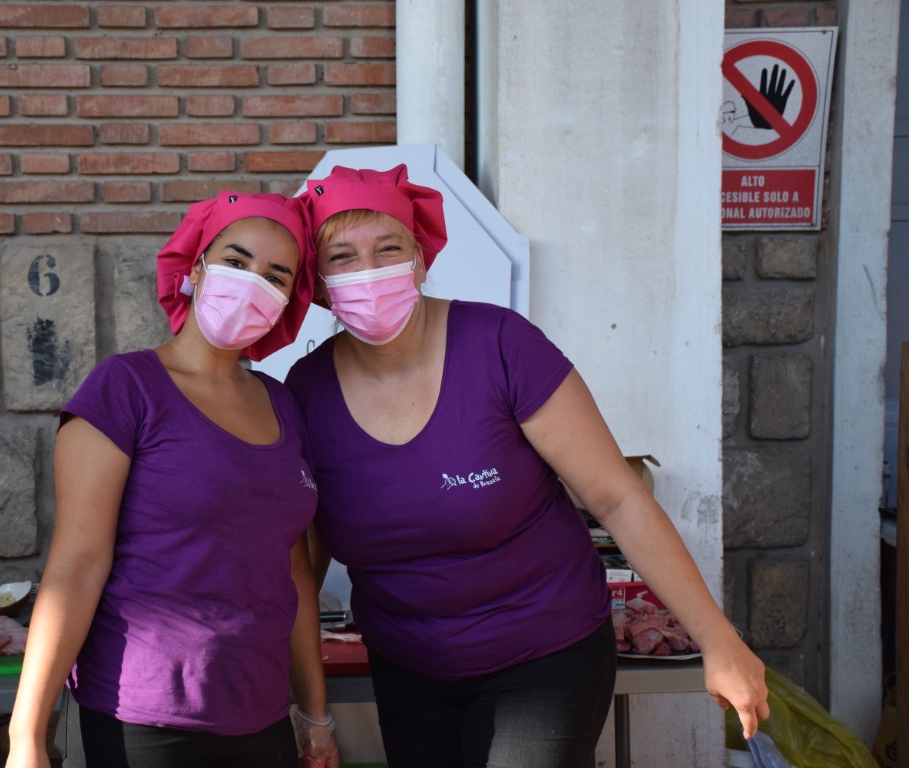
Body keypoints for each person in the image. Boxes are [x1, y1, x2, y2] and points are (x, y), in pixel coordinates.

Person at [284, 165, 770, 768]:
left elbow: (617, 498)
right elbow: (303, 559)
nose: (369, 271)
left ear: (421, 259)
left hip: (543, 654)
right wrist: (306, 706)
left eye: (389, 249)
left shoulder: (500, 346)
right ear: (318, 283)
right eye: (343, 257)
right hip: (408, 669)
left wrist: (718, 640)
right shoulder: (306, 392)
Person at [6, 191, 340, 768]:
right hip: (140, 717)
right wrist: (27, 737)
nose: (253, 284)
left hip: (261, 714)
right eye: (236, 261)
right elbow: (76, 566)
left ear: (289, 300)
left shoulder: (284, 405)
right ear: (196, 268)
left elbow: (293, 572)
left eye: (275, 276)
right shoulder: (126, 388)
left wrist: (315, 714)